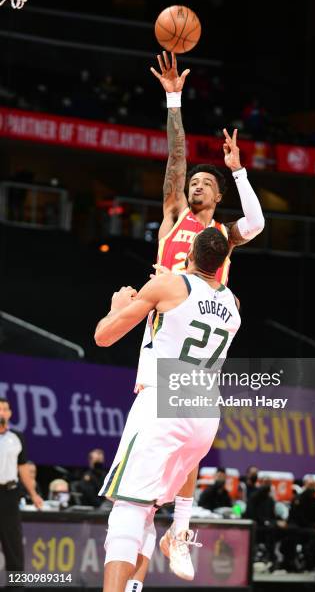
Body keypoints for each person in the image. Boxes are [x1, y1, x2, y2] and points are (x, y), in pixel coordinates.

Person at [147, 51, 264, 578]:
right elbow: (176, 157)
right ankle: (146, 543)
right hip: (159, 334)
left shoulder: (222, 237)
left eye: (204, 183)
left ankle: (180, 530)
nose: (195, 185)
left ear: (217, 197)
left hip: (201, 340)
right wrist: (174, 98)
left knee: (192, 444)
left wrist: (238, 171)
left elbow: (256, 223)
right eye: (191, 182)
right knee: (159, 447)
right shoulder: (174, 217)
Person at [94, 228, 241, 592]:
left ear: (188, 252)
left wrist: (118, 308)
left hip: (166, 400)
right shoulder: (234, 303)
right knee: (147, 506)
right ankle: (174, 536)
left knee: (128, 508)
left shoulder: (168, 286)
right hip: (206, 411)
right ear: (222, 264)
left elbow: (104, 336)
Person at [0, 398, 43, 577]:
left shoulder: (16, 437)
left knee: (14, 547)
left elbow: (23, 468)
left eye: (5, 409)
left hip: (9, 494)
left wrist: (33, 494)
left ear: (10, 413)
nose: (2, 412)